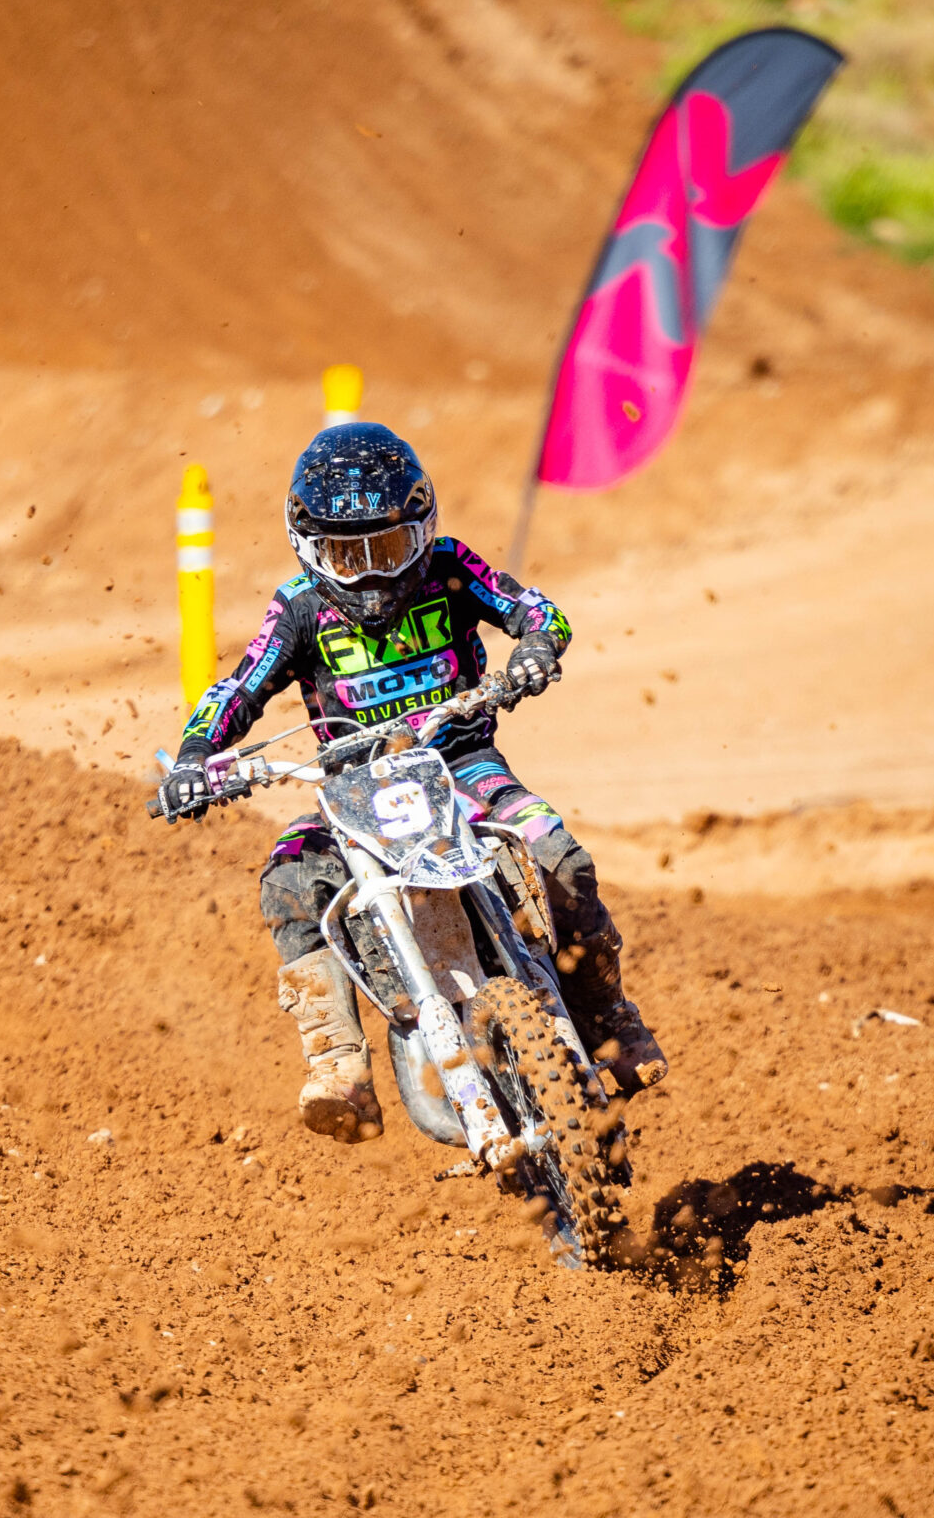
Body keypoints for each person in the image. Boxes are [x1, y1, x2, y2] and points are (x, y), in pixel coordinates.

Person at [156, 423, 667, 1142]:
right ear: (309, 547)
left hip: (464, 766)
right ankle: (338, 1063)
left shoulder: (452, 567)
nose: (372, 574)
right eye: (348, 554)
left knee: (561, 856)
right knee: (288, 880)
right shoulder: (299, 607)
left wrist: (535, 649)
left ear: (422, 532)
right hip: (355, 793)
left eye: (390, 548)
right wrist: (194, 757)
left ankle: (608, 1017)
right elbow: (238, 688)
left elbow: (538, 610)